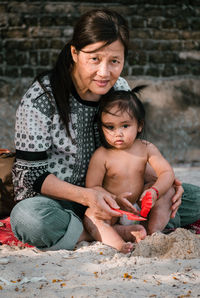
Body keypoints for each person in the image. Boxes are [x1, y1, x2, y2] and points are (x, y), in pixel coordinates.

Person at [10, 8, 186, 251]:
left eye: (114, 61)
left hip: (118, 197)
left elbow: (132, 149)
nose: (105, 73)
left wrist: (163, 183)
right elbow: (28, 176)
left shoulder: (119, 88)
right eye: (94, 59)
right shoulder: (41, 98)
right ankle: (99, 229)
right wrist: (87, 196)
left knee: (190, 197)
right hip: (59, 202)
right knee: (29, 220)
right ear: (74, 52)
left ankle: (102, 229)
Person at [84, 88, 175, 253]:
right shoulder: (102, 155)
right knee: (91, 215)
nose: (118, 133)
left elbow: (166, 173)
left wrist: (154, 191)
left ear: (139, 125)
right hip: (114, 211)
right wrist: (113, 199)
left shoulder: (146, 148)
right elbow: (93, 187)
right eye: (110, 127)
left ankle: (153, 232)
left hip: (140, 207)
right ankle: (119, 241)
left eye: (125, 126)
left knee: (168, 190)